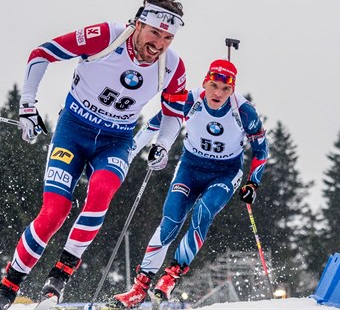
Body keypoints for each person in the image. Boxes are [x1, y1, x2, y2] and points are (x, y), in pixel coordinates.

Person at [0, 0, 188, 310]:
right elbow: (42, 53)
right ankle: (8, 287)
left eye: (168, 37)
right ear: (139, 23)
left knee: (102, 191)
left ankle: (58, 278)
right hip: (73, 134)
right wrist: (27, 104)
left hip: (115, 142)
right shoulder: (106, 36)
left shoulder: (172, 65)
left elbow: (175, 113)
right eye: (155, 33)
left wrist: (162, 145)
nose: (159, 44)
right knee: (54, 211)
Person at [110, 59, 268, 309]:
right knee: (170, 219)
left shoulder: (243, 111)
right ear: (205, 81)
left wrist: (253, 183)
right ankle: (139, 289)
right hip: (190, 168)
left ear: (233, 89)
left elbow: (261, 148)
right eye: (213, 85)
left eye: (225, 89)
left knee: (203, 212)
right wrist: (128, 154)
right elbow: (155, 123)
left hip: (225, 173)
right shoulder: (189, 99)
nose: (217, 93)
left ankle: (170, 278)